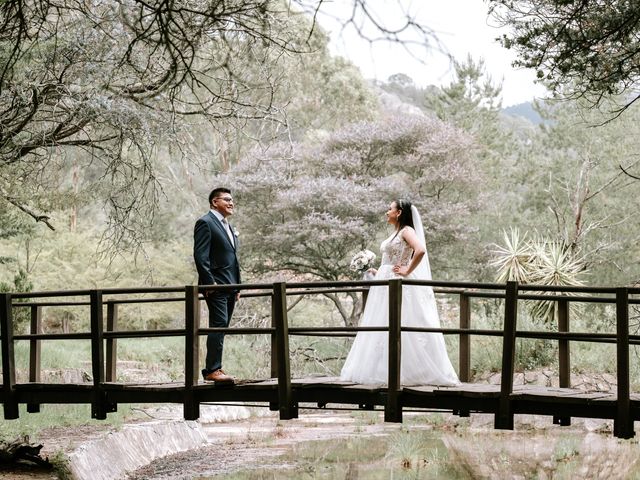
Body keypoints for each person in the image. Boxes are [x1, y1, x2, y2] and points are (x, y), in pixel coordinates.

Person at [340, 199, 459, 386]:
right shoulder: (396, 232)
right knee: (383, 323)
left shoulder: (407, 231)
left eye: (390, 209)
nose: (387, 212)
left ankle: (409, 372)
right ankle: (383, 371)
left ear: (399, 212)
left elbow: (420, 250)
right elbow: (390, 258)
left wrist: (407, 270)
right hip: (385, 279)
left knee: (403, 323)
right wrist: (376, 271)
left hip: (397, 281)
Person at [193, 187, 240, 384]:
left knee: (223, 327)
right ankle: (212, 370)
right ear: (214, 202)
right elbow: (200, 256)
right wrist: (208, 282)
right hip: (216, 286)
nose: (231, 203)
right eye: (226, 200)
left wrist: (238, 287)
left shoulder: (228, 226)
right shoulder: (206, 222)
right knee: (218, 325)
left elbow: (233, 259)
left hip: (231, 286)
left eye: (232, 200)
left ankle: (216, 367)